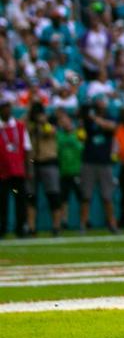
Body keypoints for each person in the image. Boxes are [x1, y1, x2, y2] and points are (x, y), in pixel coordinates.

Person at [79, 97, 118, 233]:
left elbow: (112, 126)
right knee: (86, 196)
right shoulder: (87, 118)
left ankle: (112, 224)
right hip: (89, 161)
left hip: (104, 161)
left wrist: (95, 118)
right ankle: (83, 225)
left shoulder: (108, 117)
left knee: (107, 196)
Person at [25, 102, 61, 235]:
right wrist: (30, 117)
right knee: (31, 196)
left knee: (54, 195)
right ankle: (31, 227)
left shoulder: (49, 121)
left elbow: (50, 131)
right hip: (33, 162)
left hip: (48, 161)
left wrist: (42, 121)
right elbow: (24, 130)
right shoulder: (29, 123)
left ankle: (56, 227)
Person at [0, 97, 31, 238]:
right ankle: (2, 228)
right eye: (3, 108)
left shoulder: (19, 126)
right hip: (2, 171)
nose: (6, 110)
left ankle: (21, 228)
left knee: (21, 201)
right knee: (2, 202)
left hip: (18, 170)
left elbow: (27, 148)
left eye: (8, 107)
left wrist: (29, 169)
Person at [55, 109, 84, 229]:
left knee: (81, 197)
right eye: (62, 121)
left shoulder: (78, 133)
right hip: (63, 171)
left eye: (66, 120)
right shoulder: (59, 135)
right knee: (63, 198)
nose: (65, 123)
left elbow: (81, 148)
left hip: (77, 170)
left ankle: (83, 221)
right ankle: (64, 220)